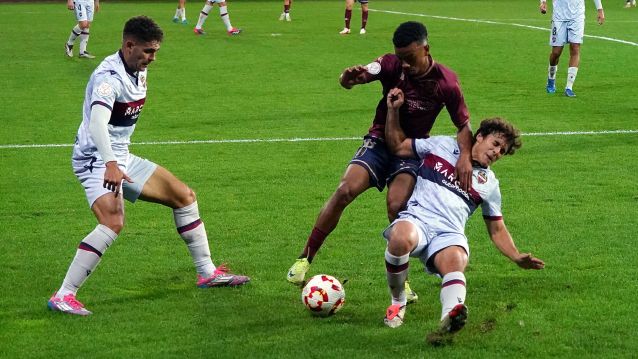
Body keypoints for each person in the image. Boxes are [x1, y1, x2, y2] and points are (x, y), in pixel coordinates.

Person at [48, 16, 249, 316]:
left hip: (121, 156)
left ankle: (207, 272)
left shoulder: (137, 69)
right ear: (128, 45)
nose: (153, 58)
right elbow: (98, 124)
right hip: (96, 159)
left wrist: (118, 160)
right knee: (113, 221)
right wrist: (111, 164)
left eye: (155, 51)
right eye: (148, 51)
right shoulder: (108, 78)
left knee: (184, 197)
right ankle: (64, 295)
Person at [286, 21, 474, 304]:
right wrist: (349, 78)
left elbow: (463, 126)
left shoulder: (445, 82)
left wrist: (466, 158)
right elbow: (365, 73)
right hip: (379, 142)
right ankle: (304, 259)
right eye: (400, 58)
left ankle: (403, 282)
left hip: (410, 151)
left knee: (397, 207)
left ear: (426, 49)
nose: (405, 65)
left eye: (410, 58)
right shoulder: (391, 64)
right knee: (344, 190)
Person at [381, 87, 545, 340]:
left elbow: (497, 228)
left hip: (449, 234)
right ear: (480, 136)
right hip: (419, 220)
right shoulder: (442, 145)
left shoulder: (489, 183)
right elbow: (399, 146)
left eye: (503, 151)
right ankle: (397, 302)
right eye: (496, 144)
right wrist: (393, 111)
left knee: (457, 260)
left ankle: (449, 318)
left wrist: (515, 256)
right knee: (401, 236)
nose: (497, 152)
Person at [540, 0, 605, 97]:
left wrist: (600, 9)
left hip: (577, 16)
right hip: (559, 16)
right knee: (556, 52)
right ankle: (551, 79)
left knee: (575, 48)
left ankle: (569, 87)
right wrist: (543, 2)